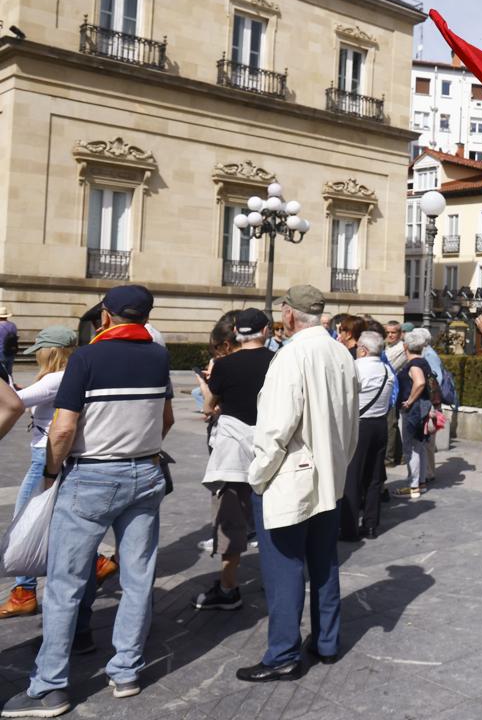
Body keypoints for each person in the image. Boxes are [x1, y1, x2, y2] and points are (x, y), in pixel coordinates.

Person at [2, 285, 173, 717]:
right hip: (147, 473)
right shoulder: (159, 357)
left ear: (107, 318)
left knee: (64, 583)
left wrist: (52, 473)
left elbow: (61, 430)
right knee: (137, 578)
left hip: (92, 475)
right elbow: (166, 418)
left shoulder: (86, 358)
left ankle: (50, 687)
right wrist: (141, 448)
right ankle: (127, 671)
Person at [238, 285, 358, 683]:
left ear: (289, 314)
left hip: (290, 476)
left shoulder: (291, 356)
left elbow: (275, 428)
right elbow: (350, 423)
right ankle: (326, 642)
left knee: (284, 567)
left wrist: (257, 476)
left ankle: (283, 654)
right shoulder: (341, 352)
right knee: (324, 561)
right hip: (330, 474)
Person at [194, 309, 274, 612]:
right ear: (265, 331)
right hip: (270, 448)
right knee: (272, 517)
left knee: (232, 519)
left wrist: (206, 386)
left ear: (237, 332)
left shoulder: (224, 365)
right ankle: (275, 577)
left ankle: (228, 586)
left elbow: (209, 406)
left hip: (234, 454)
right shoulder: (279, 363)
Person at [0, 328, 80, 619]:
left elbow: (15, 403)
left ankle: (25, 593)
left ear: (53, 351)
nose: (37, 356)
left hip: (43, 458)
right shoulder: (67, 376)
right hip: (54, 455)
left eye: (40, 350)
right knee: (46, 520)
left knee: (24, 520)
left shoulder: (56, 379)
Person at [342, 331, 393, 541]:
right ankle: (371, 525)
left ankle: (349, 528)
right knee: (373, 478)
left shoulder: (355, 367)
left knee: (352, 478)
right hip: (380, 424)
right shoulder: (387, 371)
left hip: (360, 425)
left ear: (362, 349)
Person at [391, 331, 433, 499]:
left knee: (411, 449)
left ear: (406, 346)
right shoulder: (423, 362)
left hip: (413, 410)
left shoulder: (414, 364)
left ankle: (413, 485)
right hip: (421, 408)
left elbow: (420, 382)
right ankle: (420, 483)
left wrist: (409, 401)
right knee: (420, 447)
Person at [412, 327, 443, 482]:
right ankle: (426, 471)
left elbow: (437, 380)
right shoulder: (426, 354)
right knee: (426, 441)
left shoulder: (429, 355)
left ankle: (429, 472)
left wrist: (431, 405)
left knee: (429, 441)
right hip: (428, 403)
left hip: (430, 405)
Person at [383, 320, 406, 467]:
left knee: (390, 424)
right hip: (385, 391)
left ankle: (390, 459)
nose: (390, 335)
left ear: (400, 334)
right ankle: (399, 455)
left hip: (393, 391)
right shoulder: (386, 347)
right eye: (388, 332)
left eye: (393, 332)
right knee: (392, 425)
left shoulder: (401, 349)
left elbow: (388, 367)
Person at [0, 306, 17, 378]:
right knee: (9, 372)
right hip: (11, 351)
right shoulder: (13, 325)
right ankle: (10, 386)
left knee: (1, 373)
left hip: (1, 352)